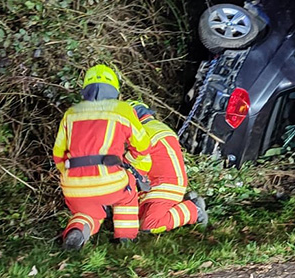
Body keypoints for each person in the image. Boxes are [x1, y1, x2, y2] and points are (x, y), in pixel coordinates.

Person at [52, 64, 152, 250]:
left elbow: (58, 154)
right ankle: (125, 239)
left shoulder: (71, 114)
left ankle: (78, 230)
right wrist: (129, 163)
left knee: (87, 211)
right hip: (109, 180)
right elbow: (143, 145)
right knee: (128, 192)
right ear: (114, 89)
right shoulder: (122, 110)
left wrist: (71, 174)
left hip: (73, 185)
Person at [127, 101, 207, 233]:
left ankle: (194, 210)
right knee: (138, 215)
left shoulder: (141, 134)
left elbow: (138, 166)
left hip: (163, 186)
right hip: (168, 182)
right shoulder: (158, 127)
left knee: (150, 225)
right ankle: (181, 204)